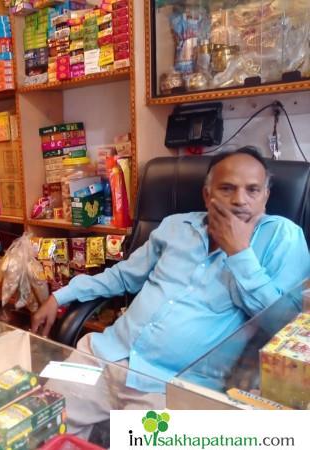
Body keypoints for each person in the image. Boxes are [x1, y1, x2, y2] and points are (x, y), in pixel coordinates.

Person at [31, 147, 310, 438]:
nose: (240, 200)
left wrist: (238, 251)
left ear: (266, 196)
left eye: (253, 190)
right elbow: (124, 276)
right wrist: (60, 296)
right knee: (37, 430)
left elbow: (285, 322)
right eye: (227, 188)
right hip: (104, 355)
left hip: (171, 388)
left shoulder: (283, 236)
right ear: (207, 194)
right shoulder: (176, 225)